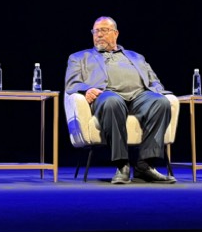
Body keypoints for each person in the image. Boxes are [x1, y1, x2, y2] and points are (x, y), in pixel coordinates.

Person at [64, 16, 176, 184]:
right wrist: (87, 89)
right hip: (107, 94)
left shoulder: (136, 57)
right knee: (113, 102)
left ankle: (145, 166)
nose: (98, 35)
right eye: (95, 31)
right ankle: (122, 165)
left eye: (103, 30)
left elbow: (154, 81)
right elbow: (72, 83)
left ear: (115, 33)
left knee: (161, 102)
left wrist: (158, 92)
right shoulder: (80, 57)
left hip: (139, 96)